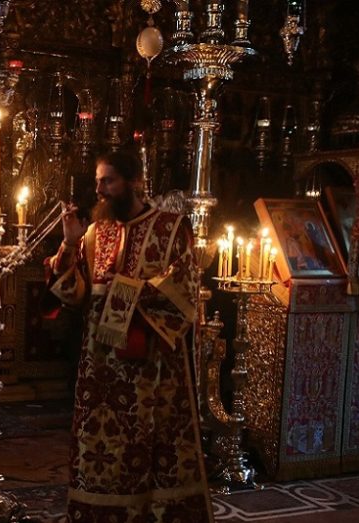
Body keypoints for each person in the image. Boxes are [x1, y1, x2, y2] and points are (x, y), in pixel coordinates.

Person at [47, 151, 212, 522]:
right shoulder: (95, 232)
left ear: (134, 181)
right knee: (99, 451)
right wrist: (70, 244)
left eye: (108, 181)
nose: (100, 190)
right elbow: (72, 293)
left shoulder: (170, 228)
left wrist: (128, 292)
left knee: (145, 446)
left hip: (149, 368)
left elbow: (184, 287)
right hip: (99, 366)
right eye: (98, 181)